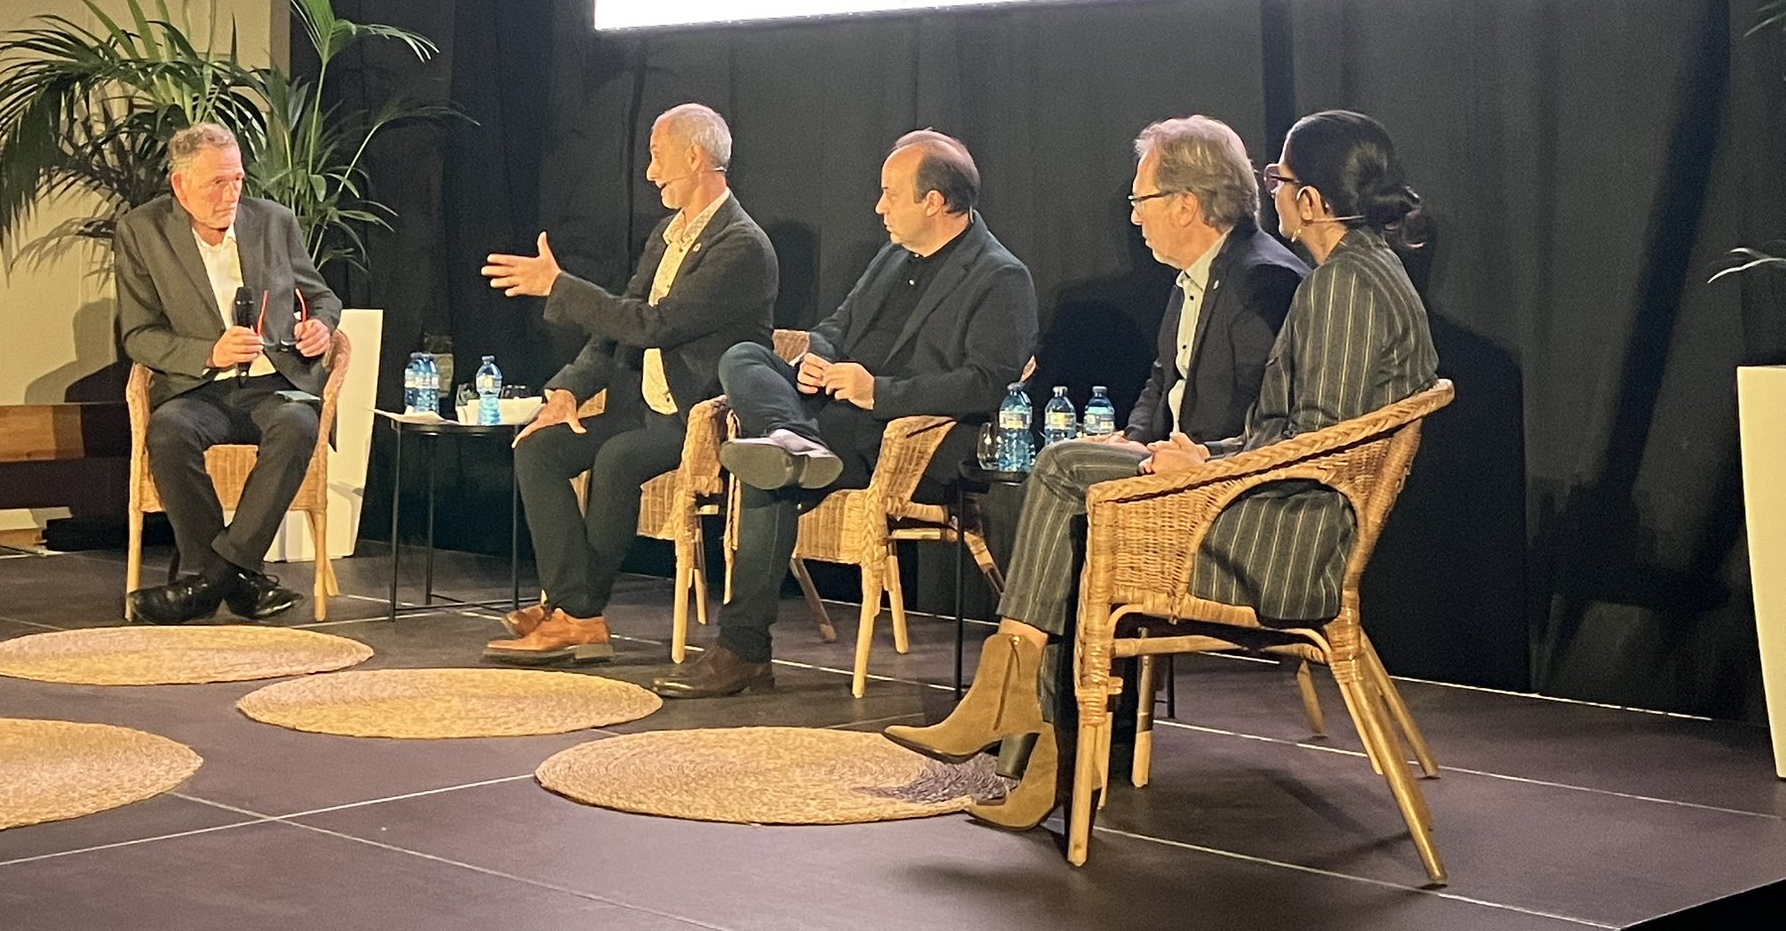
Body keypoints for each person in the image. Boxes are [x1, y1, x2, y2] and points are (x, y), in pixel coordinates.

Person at [887, 108, 1437, 830]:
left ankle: (1024, 714)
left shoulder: (1343, 285)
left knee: (1064, 477)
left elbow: (1317, 445)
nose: (1270, 193)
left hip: (1284, 543)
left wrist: (1207, 457)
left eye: (1280, 179)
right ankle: (1030, 725)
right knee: (1066, 479)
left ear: (1310, 200)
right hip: (1270, 509)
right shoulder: (1360, 273)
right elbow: (1286, 427)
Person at [654, 129, 1038, 698]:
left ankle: (744, 650)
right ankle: (791, 436)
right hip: (828, 416)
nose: (879, 207)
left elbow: (986, 384)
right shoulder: (893, 256)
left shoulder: (1000, 276)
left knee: (769, 471)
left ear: (933, 202)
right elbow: (836, 324)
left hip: (899, 440)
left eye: (890, 194)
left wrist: (877, 390)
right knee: (742, 358)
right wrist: (816, 358)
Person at [479, 104, 777, 663]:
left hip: (699, 419)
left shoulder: (741, 246)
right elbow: (619, 323)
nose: (650, 172)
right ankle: (573, 608)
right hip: (642, 407)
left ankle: (576, 614)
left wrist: (559, 286)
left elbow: (653, 325)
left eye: (658, 157)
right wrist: (568, 390)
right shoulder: (668, 233)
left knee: (616, 458)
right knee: (538, 448)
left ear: (695, 157)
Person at [117, 122, 342, 624]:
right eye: (216, 183)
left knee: (299, 424)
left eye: (237, 179)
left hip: (275, 383)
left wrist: (320, 327)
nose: (231, 194)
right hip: (199, 388)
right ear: (180, 186)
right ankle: (235, 581)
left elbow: (322, 296)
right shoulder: (142, 231)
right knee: (168, 431)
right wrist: (210, 352)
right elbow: (138, 335)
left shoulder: (274, 221)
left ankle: (205, 583)